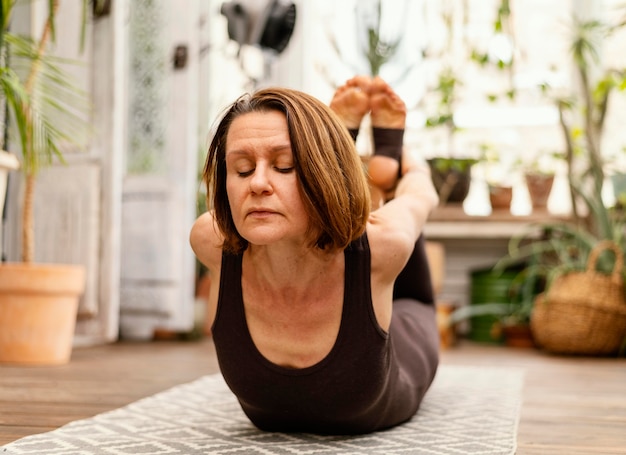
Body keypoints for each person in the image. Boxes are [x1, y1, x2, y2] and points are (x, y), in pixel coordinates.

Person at [189, 76, 440, 435]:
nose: (256, 184)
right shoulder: (212, 241)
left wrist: (412, 168)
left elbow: (420, 199)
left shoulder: (383, 244)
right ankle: (338, 151)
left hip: (398, 337)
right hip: (333, 212)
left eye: (285, 165)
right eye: (242, 169)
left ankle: (380, 162)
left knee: (403, 280)